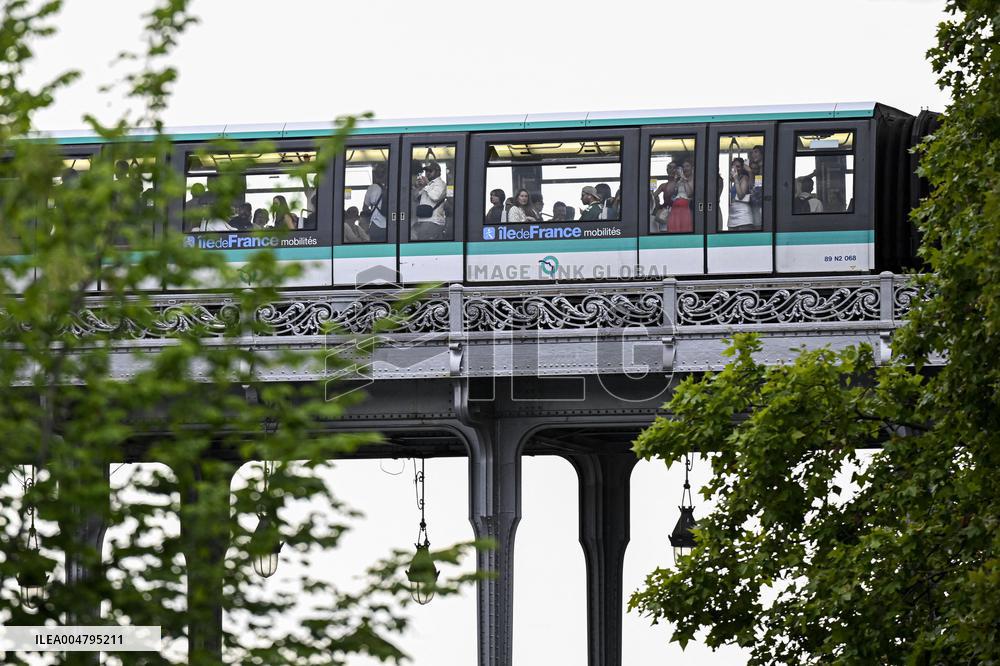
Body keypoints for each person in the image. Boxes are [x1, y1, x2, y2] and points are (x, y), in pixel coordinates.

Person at [411, 161, 447, 240]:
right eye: (426, 171)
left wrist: (427, 185)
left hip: (433, 221)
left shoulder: (440, 184)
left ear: (438, 172)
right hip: (422, 221)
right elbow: (415, 197)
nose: (427, 173)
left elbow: (435, 197)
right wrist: (418, 186)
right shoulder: (428, 184)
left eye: (430, 171)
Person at [362, 162, 388, 241]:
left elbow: (365, 207)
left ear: (375, 175)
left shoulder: (372, 187)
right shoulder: (391, 188)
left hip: (376, 224)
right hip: (390, 225)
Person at [666, 160, 694, 233]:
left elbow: (689, 193)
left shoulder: (692, 180)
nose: (685, 169)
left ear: (692, 168)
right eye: (683, 167)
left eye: (687, 166)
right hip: (675, 210)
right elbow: (669, 193)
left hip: (685, 210)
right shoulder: (678, 180)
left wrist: (683, 178)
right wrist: (675, 179)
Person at [727, 157, 754, 229]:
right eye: (734, 166)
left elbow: (740, 196)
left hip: (743, 216)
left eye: (738, 166)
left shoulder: (744, 178)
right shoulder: (737, 178)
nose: (736, 168)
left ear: (742, 168)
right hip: (733, 215)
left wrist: (735, 179)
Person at [748, 145, 764, 227]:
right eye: (752, 152)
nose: (753, 154)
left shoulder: (763, 169)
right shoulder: (759, 168)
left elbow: (757, 187)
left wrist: (750, 172)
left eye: (756, 152)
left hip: (759, 206)